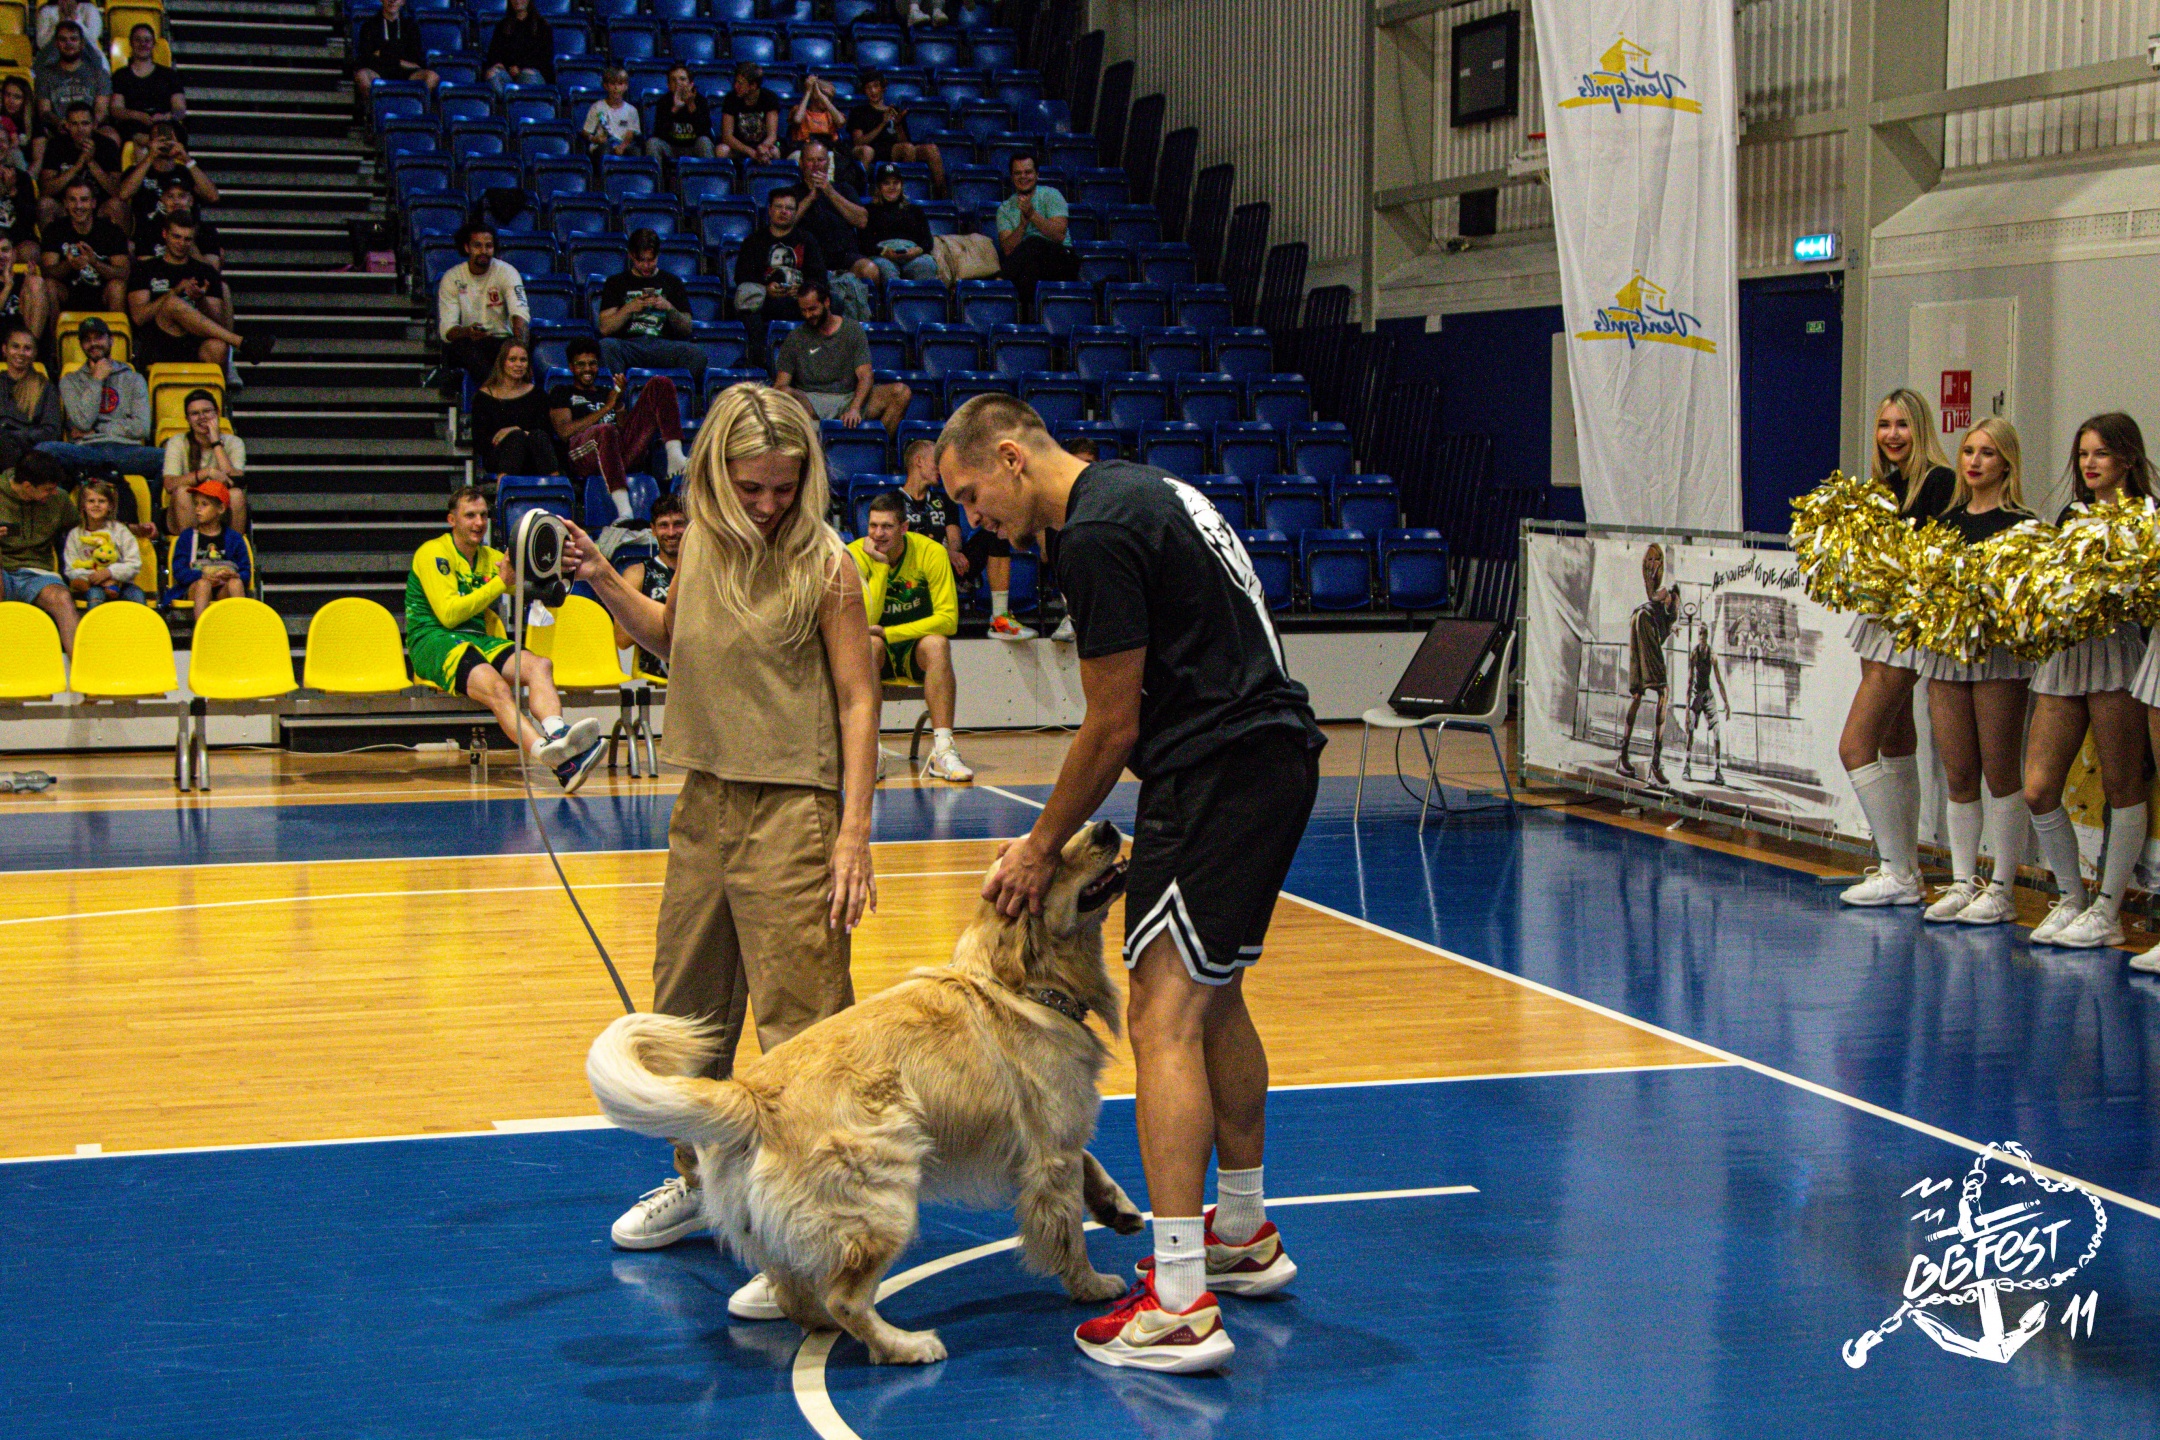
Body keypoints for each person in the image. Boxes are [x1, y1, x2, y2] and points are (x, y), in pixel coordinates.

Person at [940, 393, 1323, 1373]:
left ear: (1012, 457)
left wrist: (1041, 846)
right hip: (1273, 760)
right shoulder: (1144, 491)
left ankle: (1182, 1304)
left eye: (973, 496)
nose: (975, 521)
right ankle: (1240, 1233)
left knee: (1161, 1018)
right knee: (1213, 996)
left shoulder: (1095, 533)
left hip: (1215, 773)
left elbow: (1112, 724)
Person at [560, 385, 879, 1323]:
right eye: (751, 488)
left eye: (784, 487)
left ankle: (819, 1231)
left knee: (803, 1033)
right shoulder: (699, 544)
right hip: (703, 801)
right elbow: (673, 640)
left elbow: (859, 698)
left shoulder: (829, 566)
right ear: (713, 477)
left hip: (795, 809)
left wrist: (853, 832)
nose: (769, 504)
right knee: (685, 1015)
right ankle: (703, 1183)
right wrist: (602, 578)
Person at [2027, 414, 2156, 950]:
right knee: (2038, 788)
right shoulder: (2069, 516)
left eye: (2100, 453)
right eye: (2083, 455)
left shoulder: (2147, 518)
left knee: (2123, 785)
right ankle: (2071, 897)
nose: (2089, 464)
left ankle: (2108, 909)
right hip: (2066, 656)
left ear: (2127, 458)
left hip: (2116, 656)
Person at [1836, 388, 1958, 907]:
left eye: (1902, 425)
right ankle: (1906, 871)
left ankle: (1897, 869)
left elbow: (1937, 560)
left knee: (1854, 746)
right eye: (1884, 425)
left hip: (1906, 629)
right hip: (1879, 620)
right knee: (1895, 740)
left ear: (1921, 429)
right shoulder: (1884, 487)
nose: (1892, 435)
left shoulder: (1940, 482)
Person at [1914, 417, 2035, 927]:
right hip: (1947, 654)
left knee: (2000, 771)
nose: (1975, 461)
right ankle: (1963, 881)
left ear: (2006, 463)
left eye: (1987, 453)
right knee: (1958, 771)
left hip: (1998, 657)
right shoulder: (1945, 524)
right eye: (1968, 451)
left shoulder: (2024, 525)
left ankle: (2002, 888)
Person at [406, 485, 608, 791]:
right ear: (452, 520)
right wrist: (501, 581)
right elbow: (449, 615)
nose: (479, 523)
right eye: (470, 515)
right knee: (498, 687)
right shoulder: (432, 553)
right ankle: (559, 763)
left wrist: (554, 568)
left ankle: (557, 734)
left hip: (479, 639)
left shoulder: (491, 557)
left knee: (539, 665)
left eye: (483, 515)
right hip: (433, 639)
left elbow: (529, 587)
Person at [849, 489, 972, 781]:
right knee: (869, 643)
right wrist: (880, 566)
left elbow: (948, 620)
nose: (878, 534)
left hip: (916, 651)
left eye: (887, 526)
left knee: (938, 644)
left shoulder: (931, 552)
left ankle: (943, 750)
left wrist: (891, 633)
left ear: (904, 527)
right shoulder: (855, 554)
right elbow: (866, 621)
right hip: (877, 654)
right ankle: (870, 750)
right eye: (873, 526)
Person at [549, 336, 688, 521]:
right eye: (581, 364)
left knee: (660, 383)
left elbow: (623, 431)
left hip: (616, 454)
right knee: (606, 430)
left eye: (592, 364)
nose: (587, 369)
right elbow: (564, 432)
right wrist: (606, 408)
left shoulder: (608, 393)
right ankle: (624, 511)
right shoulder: (561, 392)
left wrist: (619, 403)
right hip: (582, 456)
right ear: (571, 367)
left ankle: (674, 455)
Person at [774, 276, 911, 439]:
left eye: (812, 309)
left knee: (901, 392)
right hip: (810, 401)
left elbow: (865, 375)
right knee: (781, 395)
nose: (808, 315)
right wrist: (804, 404)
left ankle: (873, 448)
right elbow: (780, 385)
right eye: (803, 311)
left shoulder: (852, 330)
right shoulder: (795, 338)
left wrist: (855, 408)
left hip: (848, 397)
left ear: (826, 302)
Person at [129, 212, 266, 371]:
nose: (181, 243)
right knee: (173, 303)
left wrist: (201, 300)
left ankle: (217, 383)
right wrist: (175, 291)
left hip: (194, 342)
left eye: (187, 239)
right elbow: (139, 318)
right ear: (165, 234)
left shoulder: (205, 272)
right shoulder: (145, 269)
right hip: (158, 342)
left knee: (218, 347)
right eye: (176, 237)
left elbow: (219, 324)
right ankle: (242, 343)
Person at [41, 315, 165, 482]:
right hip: (86, 451)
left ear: (111, 340)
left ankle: (152, 501)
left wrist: (98, 430)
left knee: (170, 458)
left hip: (127, 451)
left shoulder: (134, 379)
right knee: (45, 451)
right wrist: (96, 379)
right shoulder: (70, 381)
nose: (93, 343)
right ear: (81, 345)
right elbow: (83, 423)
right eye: (87, 340)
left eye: (98, 337)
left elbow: (142, 428)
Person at [597, 229, 706, 382]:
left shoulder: (672, 282)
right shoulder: (615, 282)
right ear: (631, 255)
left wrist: (669, 308)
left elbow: (687, 327)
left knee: (697, 353)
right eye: (641, 260)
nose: (646, 265)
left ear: (658, 255)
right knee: (606, 346)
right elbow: (605, 328)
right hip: (630, 345)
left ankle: (669, 391)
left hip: (663, 345)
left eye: (651, 260)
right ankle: (620, 392)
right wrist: (629, 309)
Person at [0, 447, 81, 653]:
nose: (53, 493)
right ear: (27, 486)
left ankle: (82, 665)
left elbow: (85, 528)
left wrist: (133, 528)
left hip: (37, 571)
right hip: (3, 567)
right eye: (48, 489)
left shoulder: (59, 499)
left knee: (62, 599)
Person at [733, 187, 823, 368]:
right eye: (779, 207)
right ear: (770, 210)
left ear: (795, 212)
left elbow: (819, 277)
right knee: (746, 308)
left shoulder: (808, 240)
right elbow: (742, 276)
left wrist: (803, 289)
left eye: (789, 208)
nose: (784, 212)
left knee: (831, 303)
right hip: (765, 303)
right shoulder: (753, 241)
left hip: (799, 303)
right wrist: (766, 288)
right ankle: (759, 366)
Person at [435, 220, 528, 392]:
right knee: (461, 348)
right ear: (467, 248)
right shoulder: (452, 277)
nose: (484, 251)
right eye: (477, 246)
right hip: (469, 342)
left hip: (501, 340)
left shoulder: (507, 272)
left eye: (489, 246)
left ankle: (497, 392)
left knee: (519, 348)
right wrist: (467, 332)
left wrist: (519, 347)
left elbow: (519, 312)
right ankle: (499, 392)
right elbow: (447, 330)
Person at [1614, 543, 1677, 783]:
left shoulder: (1668, 590)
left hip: (1641, 624)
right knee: (1662, 691)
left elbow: (1666, 616)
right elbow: (1655, 599)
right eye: (1648, 560)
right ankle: (1655, 763)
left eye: (1655, 559)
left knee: (1639, 695)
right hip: (1643, 623)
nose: (1651, 564)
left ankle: (1625, 757)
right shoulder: (1656, 590)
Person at [39, 176, 128, 325]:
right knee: (48, 285)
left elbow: (123, 273)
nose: (78, 206)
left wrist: (95, 262)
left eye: (84, 200)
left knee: (117, 287)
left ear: (93, 203)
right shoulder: (54, 230)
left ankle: (115, 337)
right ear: (65, 203)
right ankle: (56, 339)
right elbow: (47, 272)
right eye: (72, 200)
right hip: (68, 294)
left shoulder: (111, 231)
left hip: (102, 294)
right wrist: (69, 265)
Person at [996, 152, 1077, 310]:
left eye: (1028, 172)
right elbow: (1008, 251)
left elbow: (1059, 235)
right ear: (1012, 177)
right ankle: (1029, 320)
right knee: (1028, 273)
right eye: (1018, 173)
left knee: (1033, 242)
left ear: (1037, 174)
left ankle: (999, 282)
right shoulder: (1005, 209)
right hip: (1028, 265)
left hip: (1061, 259)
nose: (1023, 176)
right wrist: (1022, 225)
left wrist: (1032, 214)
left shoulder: (1052, 195)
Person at [614, 491, 682, 680]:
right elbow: (622, 639)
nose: (671, 532)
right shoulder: (637, 573)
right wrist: (667, 614)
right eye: (663, 525)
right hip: (656, 676)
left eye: (678, 524)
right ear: (653, 529)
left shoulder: (704, 571)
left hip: (701, 674)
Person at [470, 338, 561, 476]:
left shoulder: (538, 395)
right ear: (502, 362)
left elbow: (545, 434)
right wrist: (512, 436)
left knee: (535, 437)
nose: (519, 364)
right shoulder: (483, 397)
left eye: (523, 360)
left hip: (533, 457)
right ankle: (503, 487)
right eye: (512, 359)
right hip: (499, 456)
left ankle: (555, 486)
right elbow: (480, 442)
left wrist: (516, 430)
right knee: (516, 439)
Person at [162, 387, 244, 532]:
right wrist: (207, 473)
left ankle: (233, 545)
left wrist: (215, 442)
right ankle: (190, 544)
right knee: (182, 492)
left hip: (220, 510)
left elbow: (234, 480)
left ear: (217, 413)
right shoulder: (177, 442)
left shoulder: (234, 442)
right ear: (187, 419)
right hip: (189, 509)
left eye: (207, 411)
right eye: (195, 413)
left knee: (236, 494)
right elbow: (169, 485)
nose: (202, 417)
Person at [846, 73, 943, 194]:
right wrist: (883, 124)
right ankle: (905, 192)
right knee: (906, 149)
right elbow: (858, 142)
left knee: (931, 149)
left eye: (876, 86)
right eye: (868, 88)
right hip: (874, 150)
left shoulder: (894, 111)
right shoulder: (859, 111)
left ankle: (941, 194)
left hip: (894, 149)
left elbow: (905, 142)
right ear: (864, 91)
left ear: (883, 88)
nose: (873, 91)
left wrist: (898, 125)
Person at [118, 121, 216, 239]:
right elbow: (123, 194)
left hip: (183, 236)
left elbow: (212, 197)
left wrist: (187, 159)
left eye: (168, 136)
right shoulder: (136, 171)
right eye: (158, 137)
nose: (164, 141)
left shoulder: (186, 171)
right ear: (150, 142)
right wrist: (150, 156)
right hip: (147, 236)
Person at [38, 100, 126, 230]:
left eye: (85, 123)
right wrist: (77, 167)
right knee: (45, 204)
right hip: (66, 208)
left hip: (98, 209)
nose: (80, 129)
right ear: (67, 125)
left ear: (94, 125)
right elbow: (45, 190)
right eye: (74, 124)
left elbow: (116, 191)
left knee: (117, 205)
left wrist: (91, 162)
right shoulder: (56, 145)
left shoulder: (108, 145)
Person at [170, 476, 250, 611]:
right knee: (203, 585)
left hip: (223, 587)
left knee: (236, 584)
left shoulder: (234, 538)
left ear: (221, 508)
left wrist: (235, 575)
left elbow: (246, 571)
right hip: (195, 586)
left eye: (204, 504)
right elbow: (179, 570)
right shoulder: (187, 537)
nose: (198, 509)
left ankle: (239, 623)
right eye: (196, 504)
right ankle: (201, 624)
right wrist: (201, 576)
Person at [62, 475, 142, 607]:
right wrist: (97, 578)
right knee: (96, 594)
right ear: (83, 506)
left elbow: (134, 564)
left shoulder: (121, 531)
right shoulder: (75, 535)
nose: (96, 505)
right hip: (89, 584)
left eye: (102, 501)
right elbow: (71, 569)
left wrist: (109, 573)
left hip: (120, 583)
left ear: (110, 506)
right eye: (91, 501)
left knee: (136, 595)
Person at [859, 161, 938, 285]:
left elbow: (927, 240)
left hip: (912, 254)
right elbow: (864, 243)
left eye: (896, 182)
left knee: (926, 265)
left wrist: (917, 251)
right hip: (882, 255)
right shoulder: (869, 211)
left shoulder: (915, 210)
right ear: (879, 187)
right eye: (886, 183)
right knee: (886, 269)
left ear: (901, 185)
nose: (892, 187)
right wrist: (884, 252)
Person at [109, 23, 187, 147]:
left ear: (153, 44)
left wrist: (164, 117)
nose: (143, 44)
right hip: (132, 125)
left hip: (163, 123)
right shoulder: (121, 75)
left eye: (147, 40)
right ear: (131, 43)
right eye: (138, 40)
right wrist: (138, 116)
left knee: (171, 133)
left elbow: (180, 108)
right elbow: (116, 109)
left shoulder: (169, 75)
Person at [33, 21, 110, 136]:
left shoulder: (99, 74)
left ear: (82, 43)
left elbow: (101, 110)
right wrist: (60, 123)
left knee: (110, 135)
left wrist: (86, 127)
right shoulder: (45, 75)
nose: (68, 43)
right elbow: (44, 111)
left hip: (91, 129)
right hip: (58, 130)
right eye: (63, 39)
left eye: (73, 39)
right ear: (56, 44)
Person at [353, 0, 438, 100]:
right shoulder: (369, 26)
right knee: (362, 76)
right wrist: (400, 60)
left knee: (432, 77)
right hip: (378, 71)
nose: (392, 1)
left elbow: (415, 61)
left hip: (405, 73)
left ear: (403, 1)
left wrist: (383, 53)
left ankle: (414, 107)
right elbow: (367, 58)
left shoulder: (411, 27)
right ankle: (374, 108)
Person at [1679, 619, 1728, 785]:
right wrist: (1687, 709)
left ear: (1707, 635)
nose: (1702, 636)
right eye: (1700, 633)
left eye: (1705, 633)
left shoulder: (1712, 655)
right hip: (1696, 693)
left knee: (1717, 730)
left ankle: (1718, 771)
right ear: (1698, 635)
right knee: (1690, 728)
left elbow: (1719, 681)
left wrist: (1726, 703)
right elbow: (1689, 681)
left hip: (1707, 693)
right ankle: (1686, 766)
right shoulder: (1694, 654)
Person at [0, 323, 61, 453]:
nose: (21, 353)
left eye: (27, 348)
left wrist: (19, 436)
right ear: (4, 349)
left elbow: (52, 431)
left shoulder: (45, 387)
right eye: (15, 346)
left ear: (34, 353)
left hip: (28, 450)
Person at [481, 0, 553, 92]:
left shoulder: (542, 27)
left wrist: (520, 68)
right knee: (492, 74)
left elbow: (544, 59)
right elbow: (494, 54)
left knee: (529, 75)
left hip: (531, 72)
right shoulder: (502, 26)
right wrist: (502, 66)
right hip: (507, 74)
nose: (517, 1)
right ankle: (507, 99)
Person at [718, 61, 781, 166]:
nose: (736, 86)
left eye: (740, 83)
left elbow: (772, 135)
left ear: (753, 86)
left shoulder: (769, 98)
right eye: (736, 82)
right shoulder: (731, 98)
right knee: (721, 150)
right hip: (739, 147)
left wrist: (763, 147)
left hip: (762, 146)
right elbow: (727, 136)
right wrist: (751, 152)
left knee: (775, 152)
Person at [647, 63, 713, 163]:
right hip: (671, 147)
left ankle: (709, 173)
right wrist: (675, 109)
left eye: (682, 79)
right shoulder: (663, 102)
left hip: (693, 147)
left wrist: (691, 105)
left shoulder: (701, 101)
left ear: (691, 83)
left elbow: (705, 132)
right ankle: (656, 174)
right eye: (673, 80)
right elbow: (659, 133)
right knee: (652, 143)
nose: (678, 83)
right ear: (669, 86)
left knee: (705, 142)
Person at [582, 67, 640, 160]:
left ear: (626, 86)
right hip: (603, 145)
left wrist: (621, 147)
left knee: (635, 151)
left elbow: (630, 134)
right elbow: (586, 132)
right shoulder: (597, 107)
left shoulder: (632, 110)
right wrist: (595, 139)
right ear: (606, 86)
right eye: (613, 84)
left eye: (620, 84)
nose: (616, 88)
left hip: (623, 145)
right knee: (605, 149)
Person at [788, 73, 847, 156]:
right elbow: (797, 120)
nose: (826, 99)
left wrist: (822, 97)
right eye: (825, 95)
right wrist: (808, 92)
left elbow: (840, 122)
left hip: (827, 150)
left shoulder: (832, 114)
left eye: (830, 97)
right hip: (803, 150)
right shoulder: (800, 109)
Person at [34, 0, 101, 58]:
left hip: (87, 57)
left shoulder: (89, 8)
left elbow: (92, 39)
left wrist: (75, 19)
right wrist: (60, 24)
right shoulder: (46, 11)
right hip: (53, 58)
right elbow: (41, 43)